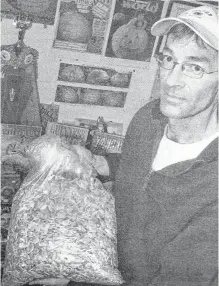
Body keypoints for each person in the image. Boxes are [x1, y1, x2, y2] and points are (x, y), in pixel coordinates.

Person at [29, 4, 218, 286]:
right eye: (168, 59)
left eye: (194, 67)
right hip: (98, 263)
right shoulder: (150, 117)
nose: (171, 80)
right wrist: (99, 163)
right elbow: (143, 169)